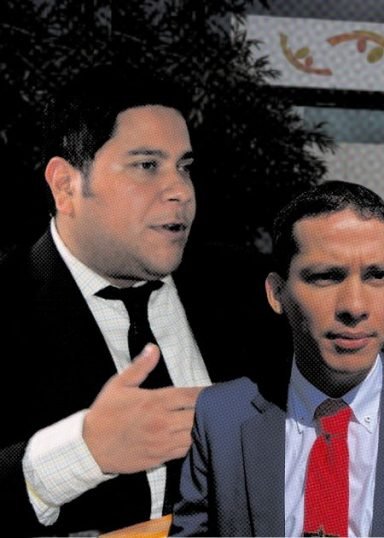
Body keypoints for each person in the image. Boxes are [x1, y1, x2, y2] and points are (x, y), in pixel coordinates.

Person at [0, 66, 284, 535]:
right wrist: (82, 452)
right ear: (66, 184)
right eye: (147, 166)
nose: (181, 192)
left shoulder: (252, 290)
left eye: (184, 167)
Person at [171, 181, 384, 537]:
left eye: (376, 276)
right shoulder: (221, 419)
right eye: (326, 277)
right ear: (277, 293)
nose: (355, 306)